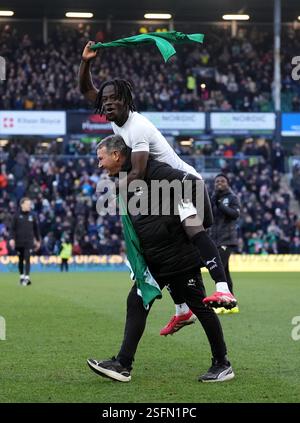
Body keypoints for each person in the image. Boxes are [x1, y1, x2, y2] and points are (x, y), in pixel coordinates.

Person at [79, 42, 237, 321]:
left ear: (126, 100)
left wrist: (115, 191)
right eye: (104, 101)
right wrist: (86, 63)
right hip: (166, 190)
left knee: (194, 232)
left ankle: (223, 289)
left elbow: (138, 174)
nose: (105, 104)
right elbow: (86, 92)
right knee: (163, 248)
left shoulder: (138, 127)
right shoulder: (118, 123)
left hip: (186, 185)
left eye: (111, 99)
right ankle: (183, 308)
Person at [87, 136, 235, 383]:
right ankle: (123, 364)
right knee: (136, 301)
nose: (99, 165)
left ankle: (222, 364)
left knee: (200, 306)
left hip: (178, 256)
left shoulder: (153, 170)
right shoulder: (125, 179)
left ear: (116, 155)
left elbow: (194, 183)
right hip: (156, 259)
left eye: (101, 158)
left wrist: (201, 223)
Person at [209, 174, 241, 314]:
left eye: (222, 181)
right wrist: (212, 201)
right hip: (215, 239)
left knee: (220, 269)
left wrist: (219, 204)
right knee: (224, 272)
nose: (219, 183)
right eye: (217, 181)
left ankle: (223, 301)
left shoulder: (232, 197)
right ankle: (231, 304)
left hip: (227, 239)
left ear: (227, 183)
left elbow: (234, 214)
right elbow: (206, 214)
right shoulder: (213, 197)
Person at [9, 197, 41, 286]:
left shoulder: (33, 215)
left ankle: (27, 278)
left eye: (30, 204)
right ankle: (21, 276)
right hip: (19, 241)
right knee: (20, 259)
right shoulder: (16, 215)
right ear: (22, 204)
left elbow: (36, 229)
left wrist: (38, 240)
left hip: (29, 241)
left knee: (27, 258)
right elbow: (12, 229)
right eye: (27, 204)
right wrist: (11, 239)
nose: (29, 206)